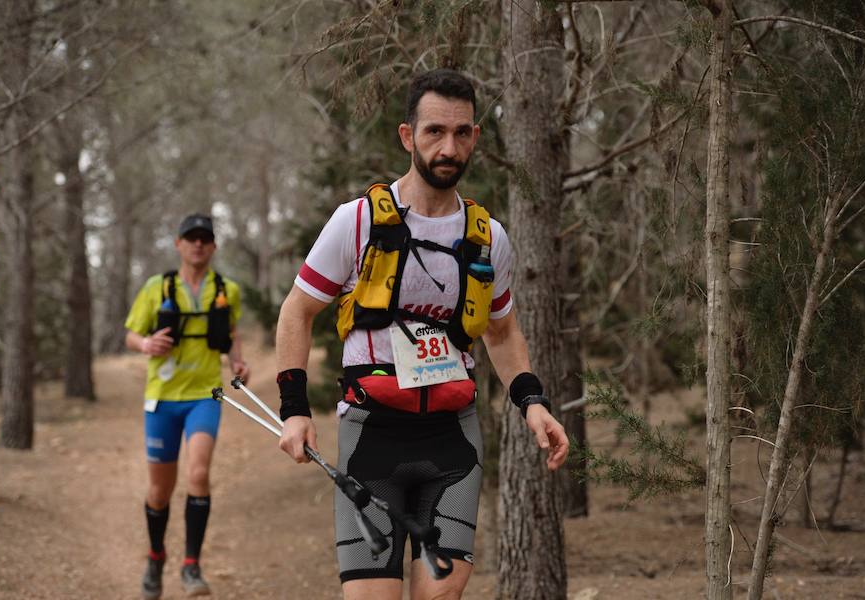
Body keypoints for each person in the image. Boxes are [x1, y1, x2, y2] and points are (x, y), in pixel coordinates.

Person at [274, 68, 570, 600]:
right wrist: (294, 408)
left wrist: (533, 402)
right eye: (434, 131)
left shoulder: (488, 238)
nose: (448, 147)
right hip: (371, 438)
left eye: (461, 133)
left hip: (453, 441)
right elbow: (296, 312)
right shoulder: (357, 222)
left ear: (475, 138)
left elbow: (501, 334)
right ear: (408, 136)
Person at [125, 213, 249, 599]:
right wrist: (145, 344)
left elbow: (229, 333)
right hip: (162, 399)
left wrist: (238, 361)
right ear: (178, 244)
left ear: (212, 247)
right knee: (160, 491)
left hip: (204, 396)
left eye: (204, 239)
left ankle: (191, 565)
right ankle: (156, 556)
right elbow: (131, 333)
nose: (198, 244)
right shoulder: (155, 287)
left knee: (198, 475)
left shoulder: (226, 288)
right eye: (190, 238)